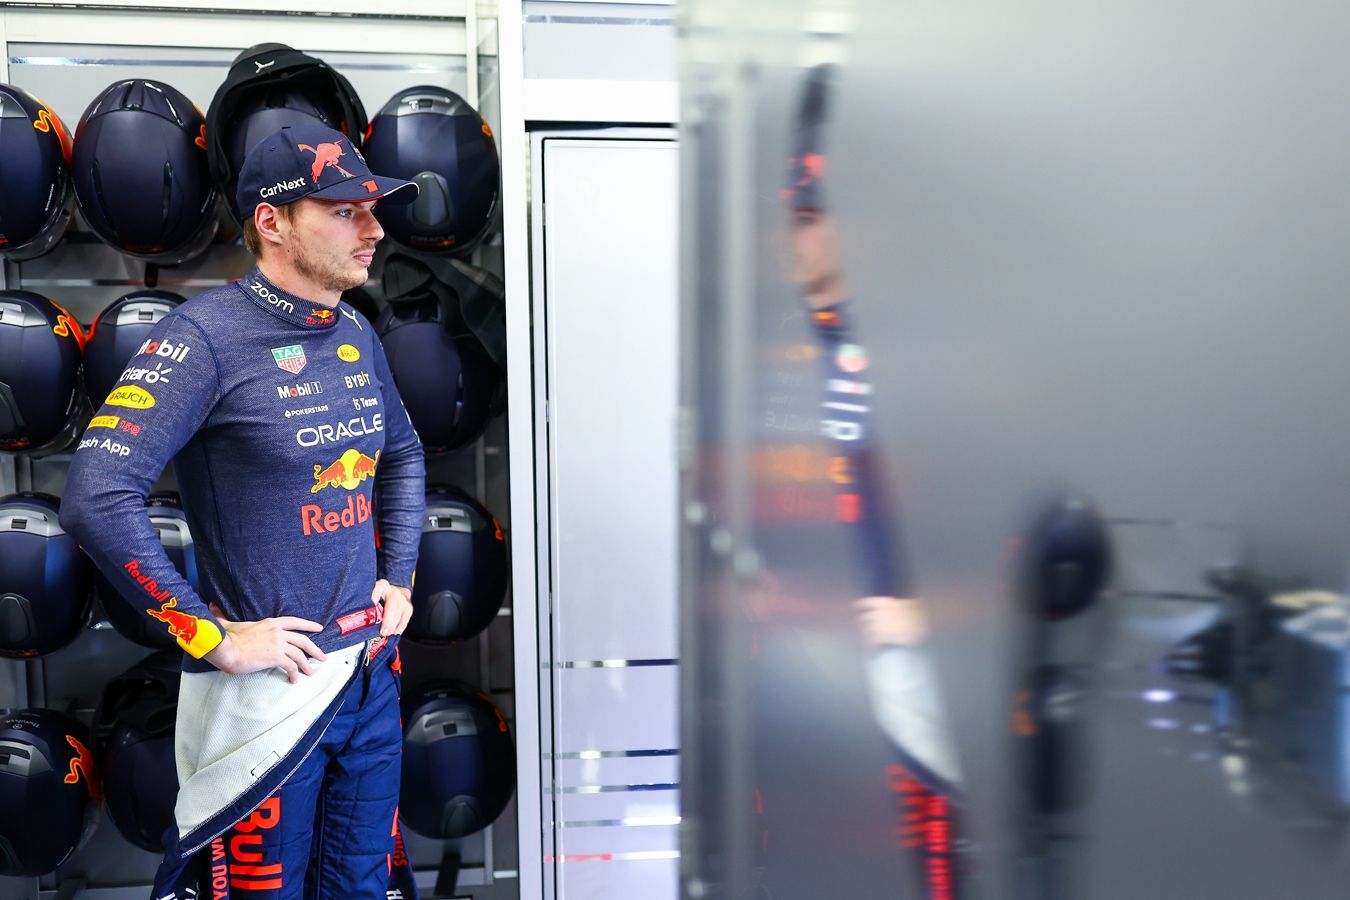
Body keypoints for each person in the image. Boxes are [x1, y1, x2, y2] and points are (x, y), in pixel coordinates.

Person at [60, 124, 426, 899]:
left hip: (368, 678)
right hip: (270, 700)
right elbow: (95, 496)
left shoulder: (355, 329)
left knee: (362, 889)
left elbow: (403, 453)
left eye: (373, 209)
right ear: (273, 221)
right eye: (346, 211)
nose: (374, 229)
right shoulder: (202, 338)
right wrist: (211, 635)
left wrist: (399, 575)